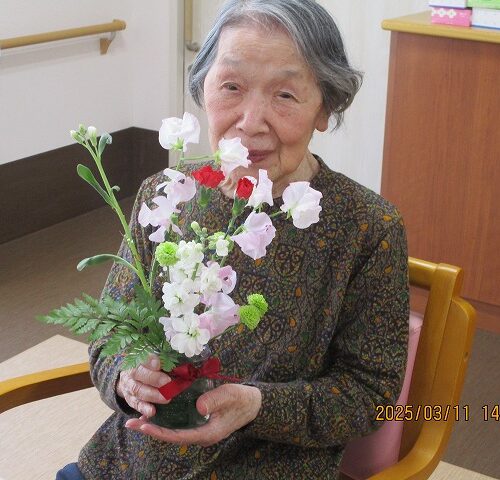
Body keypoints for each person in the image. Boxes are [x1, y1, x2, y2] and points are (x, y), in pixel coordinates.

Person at [58, 0, 409, 478]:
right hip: (125, 465)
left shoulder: (367, 228)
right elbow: (109, 332)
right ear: (203, 90)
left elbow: (370, 395)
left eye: (285, 94)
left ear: (325, 107)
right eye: (231, 87)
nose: (250, 121)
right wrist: (127, 378)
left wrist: (257, 406)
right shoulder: (167, 196)